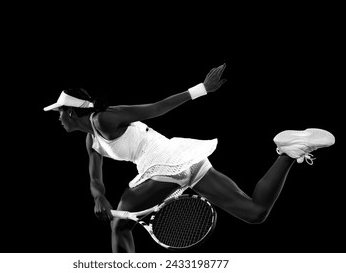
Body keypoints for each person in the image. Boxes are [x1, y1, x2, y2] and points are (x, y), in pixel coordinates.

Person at [44, 64, 335, 252]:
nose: (58, 119)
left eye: (58, 113)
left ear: (70, 111)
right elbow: (95, 178)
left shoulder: (105, 118)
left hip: (163, 160)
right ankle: (288, 151)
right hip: (184, 161)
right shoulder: (91, 139)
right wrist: (98, 197)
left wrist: (201, 89)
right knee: (255, 212)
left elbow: (156, 108)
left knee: (120, 226)